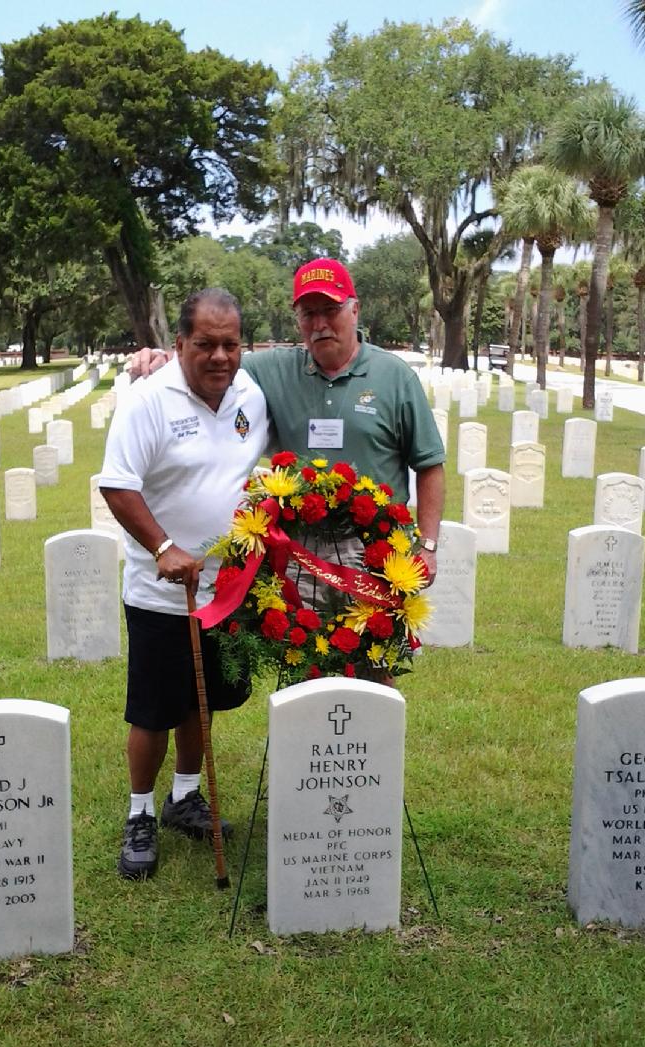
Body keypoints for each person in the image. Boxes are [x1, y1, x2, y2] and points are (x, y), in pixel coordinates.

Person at [131, 258, 445, 581]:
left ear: (355, 310)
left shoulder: (395, 377)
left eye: (330, 309)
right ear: (298, 321)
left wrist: (429, 545)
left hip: (377, 552)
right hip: (301, 555)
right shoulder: (276, 370)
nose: (320, 323)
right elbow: (215, 358)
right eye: (309, 314)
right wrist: (165, 357)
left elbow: (429, 463)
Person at [98, 288, 269, 879]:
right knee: (151, 708)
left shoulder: (252, 393)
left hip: (228, 587)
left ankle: (185, 797)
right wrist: (163, 547)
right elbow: (118, 484)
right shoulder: (148, 399)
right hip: (162, 588)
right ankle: (140, 811)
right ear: (178, 345)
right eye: (205, 344)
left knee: (204, 698)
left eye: (230, 344)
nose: (219, 357)